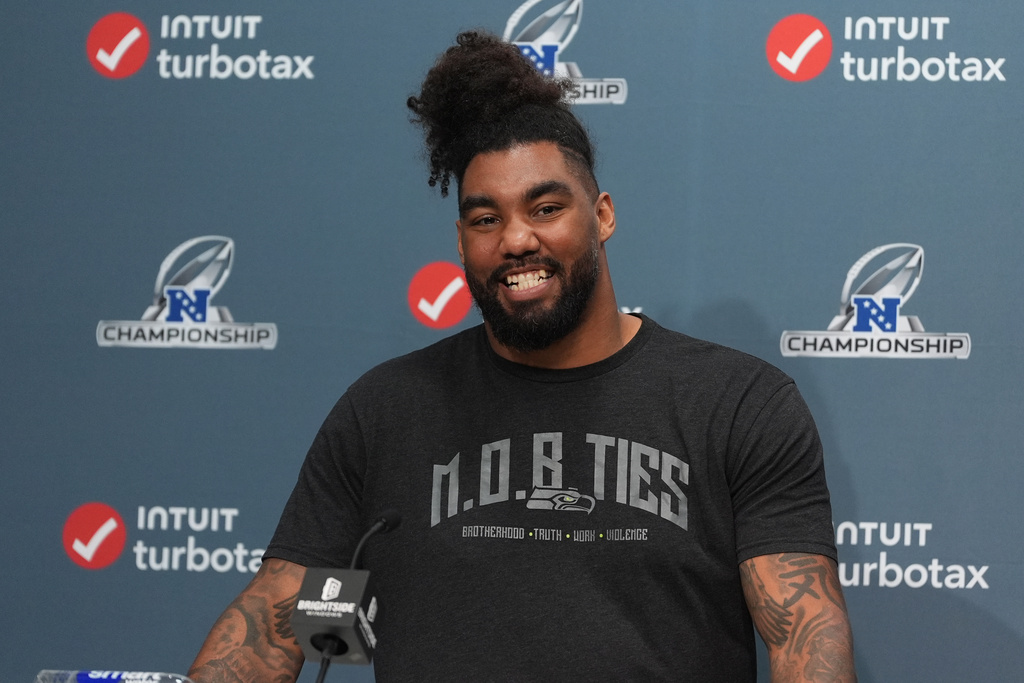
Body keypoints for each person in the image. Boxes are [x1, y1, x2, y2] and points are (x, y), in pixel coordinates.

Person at [189, 31, 856, 682]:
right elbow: (277, 622)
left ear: (602, 215)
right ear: (460, 239)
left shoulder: (736, 404)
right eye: (485, 219)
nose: (515, 239)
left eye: (545, 206)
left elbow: (802, 629)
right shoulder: (387, 412)